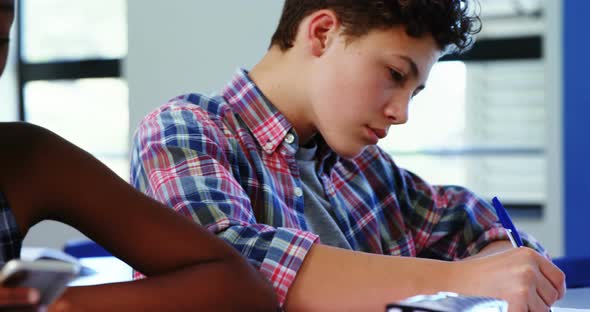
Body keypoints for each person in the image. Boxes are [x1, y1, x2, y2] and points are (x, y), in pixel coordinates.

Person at [131, 0, 566, 311]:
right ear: (322, 33)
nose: (401, 113)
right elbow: (226, 269)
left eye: (414, 92)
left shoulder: (363, 167)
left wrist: (500, 269)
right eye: (395, 74)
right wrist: (458, 281)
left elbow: (484, 228)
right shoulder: (184, 130)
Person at [0, 1, 278, 311]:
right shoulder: (180, 126)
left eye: (2, 40)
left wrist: (42, 304)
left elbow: (244, 289)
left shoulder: (24, 157)